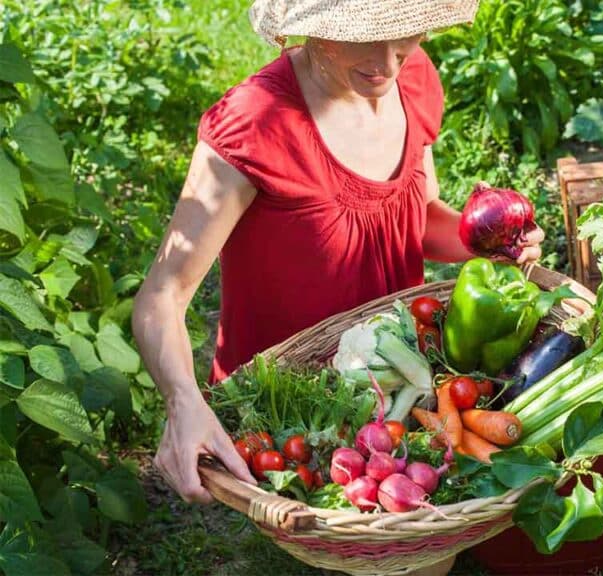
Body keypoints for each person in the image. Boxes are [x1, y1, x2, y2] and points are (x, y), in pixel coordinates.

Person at [131, 2, 543, 572]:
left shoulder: (415, 78)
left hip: (400, 376)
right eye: (363, 39)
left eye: (403, 35)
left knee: (423, 554)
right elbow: (162, 296)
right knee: (412, 559)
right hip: (296, 405)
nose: (387, 62)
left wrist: (486, 241)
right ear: (312, 28)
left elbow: (417, 220)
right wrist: (183, 405)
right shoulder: (258, 121)